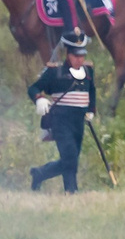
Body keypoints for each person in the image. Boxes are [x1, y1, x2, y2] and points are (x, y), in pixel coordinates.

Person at [27, 31, 96, 194]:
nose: (80, 59)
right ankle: (71, 191)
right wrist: (39, 99)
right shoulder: (54, 72)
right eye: (76, 55)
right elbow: (33, 88)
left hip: (79, 121)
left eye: (82, 55)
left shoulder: (88, 71)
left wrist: (91, 110)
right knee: (70, 156)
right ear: (68, 54)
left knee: (70, 160)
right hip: (61, 121)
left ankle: (39, 173)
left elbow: (92, 91)